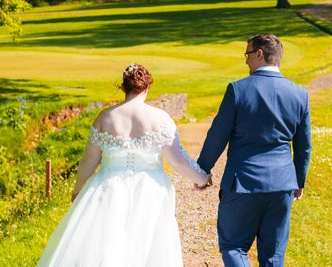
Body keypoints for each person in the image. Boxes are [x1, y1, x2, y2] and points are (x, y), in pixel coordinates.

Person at [37, 63, 210, 267]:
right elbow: (178, 160)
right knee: (146, 246)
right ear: (147, 87)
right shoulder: (160, 118)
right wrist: (202, 178)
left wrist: (78, 191)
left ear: (123, 87)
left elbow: (88, 161)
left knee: (106, 245)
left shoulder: (105, 117)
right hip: (151, 190)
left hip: (107, 189)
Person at [197, 34, 312, 267]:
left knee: (233, 246)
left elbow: (218, 135)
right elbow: (304, 146)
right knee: (273, 256)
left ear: (259, 53)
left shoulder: (238, 90)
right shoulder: (300, 94)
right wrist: (298, 181)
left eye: (247, 54)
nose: (246, 61)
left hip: (243, 183)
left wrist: (202, 170)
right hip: (282, 185)